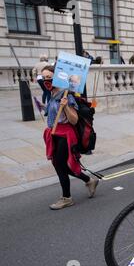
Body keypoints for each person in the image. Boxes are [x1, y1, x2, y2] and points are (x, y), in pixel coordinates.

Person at [41, 65, 99, 209]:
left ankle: (66, 197)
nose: (45, 80)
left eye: (49, 77)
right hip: (54, 133)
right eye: (43, 78)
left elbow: (73, 120)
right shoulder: (52, 94)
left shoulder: (67, 96)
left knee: (60, 164)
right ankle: (89, 180)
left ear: (57, 77)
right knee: (59, 164)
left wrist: (66, 106)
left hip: (66, 135)